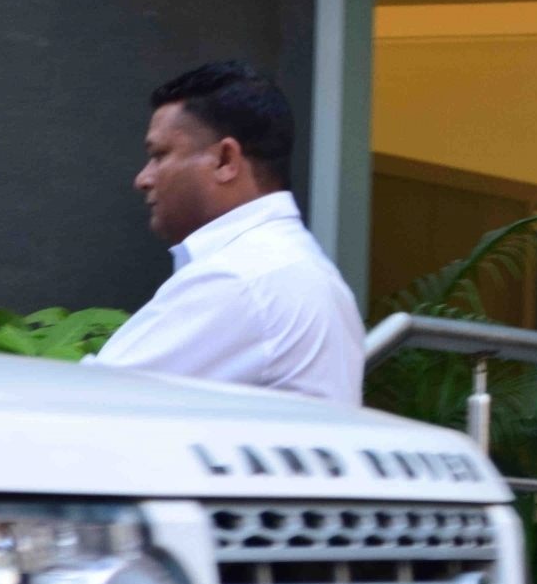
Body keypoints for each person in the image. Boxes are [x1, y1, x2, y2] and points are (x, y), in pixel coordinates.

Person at [91, 61, 363, 403]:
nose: (143, 178)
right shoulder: (287, 267)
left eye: (159, 155)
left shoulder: (242, 279)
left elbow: (94, 401)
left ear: (225, 160)